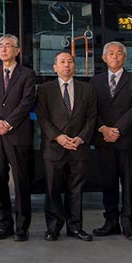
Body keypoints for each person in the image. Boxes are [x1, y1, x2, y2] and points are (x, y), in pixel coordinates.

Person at [35, 51, 97, 242]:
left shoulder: (86, 89)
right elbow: (42, 118)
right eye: (62, 62)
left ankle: (75, 227)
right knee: (52, 189)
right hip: (54, 147)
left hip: (78, 147)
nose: (66, 65)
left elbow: (92, 117)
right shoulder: (44, 89)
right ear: (55, 67)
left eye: (70, 61)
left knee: (76, 190)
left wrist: (81, 138)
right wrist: (58, 137)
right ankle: (53, 228)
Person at [90, 41, 132, 241]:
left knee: (129, 185)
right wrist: (104, 129)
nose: (115, 56)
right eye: (111, 53)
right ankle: (110, 223)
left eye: (119, 53)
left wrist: (118, 130)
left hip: (128, 140)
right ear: (104, 58)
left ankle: (129, 225)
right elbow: (90, 109)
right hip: (104, 140)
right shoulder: (95, 81)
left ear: (125, 57)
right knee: (109, 184)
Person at [0, 34, 36, 242]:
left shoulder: (27, 74)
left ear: (17, 50)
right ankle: (4, 225)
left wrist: (8, 123)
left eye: (8, 46)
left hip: (17, 134)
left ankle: (22, 227)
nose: (4, 49)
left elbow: (27, 101)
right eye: (1, 46)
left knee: (22, 181)